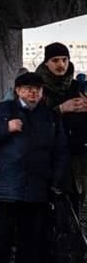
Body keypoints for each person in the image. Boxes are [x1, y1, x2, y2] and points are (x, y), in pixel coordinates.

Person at [0, 71, 69, 263]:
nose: (33, 93)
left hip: (37, 187)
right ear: (17, 90)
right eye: (27, 88)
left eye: (37, 89)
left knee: (31, 238)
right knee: (2, 238)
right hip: (7, 187)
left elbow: (60, 151)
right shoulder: (1, 111)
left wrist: (55, 181)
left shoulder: (49, 116)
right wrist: (6, 128)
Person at [36, 42, 87, 208]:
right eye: (55, 60)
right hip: (47, 156)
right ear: (46, 63)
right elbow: (31, 118)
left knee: (74, 205)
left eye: (64, 59)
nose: (61, 65)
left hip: (76, 157)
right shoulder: (36, 87)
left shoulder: (76, 86)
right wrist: (60, 109)